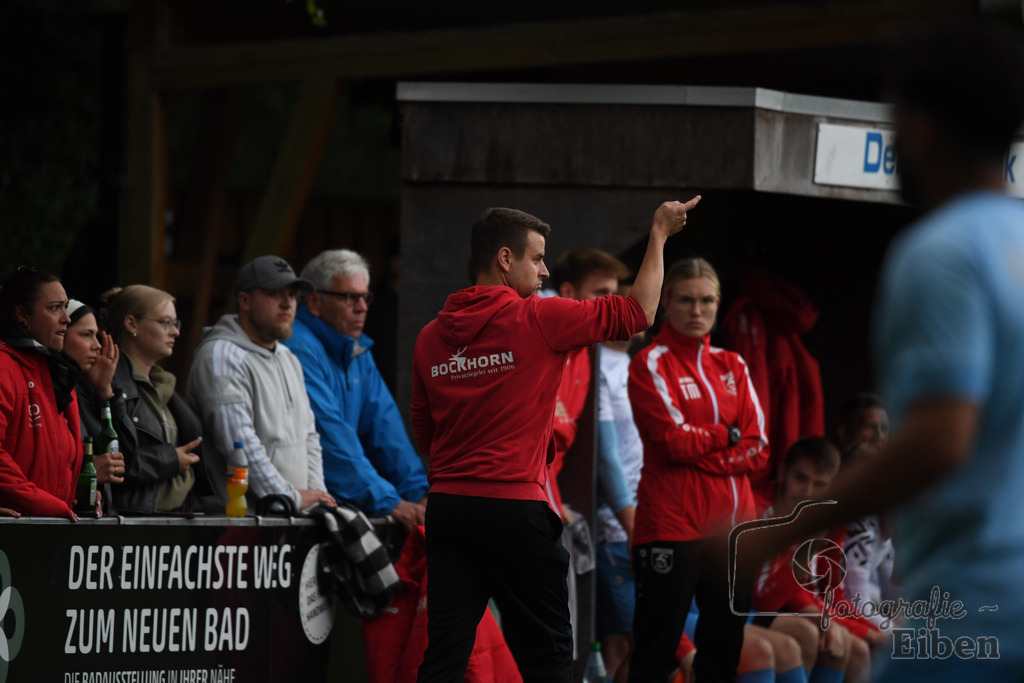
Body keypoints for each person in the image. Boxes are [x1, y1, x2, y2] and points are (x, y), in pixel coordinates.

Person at [739, 22, 1024, 680]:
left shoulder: (941, 252)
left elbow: (940, 439)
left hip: (971, 618)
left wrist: (779, 530)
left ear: (920, 127)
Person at [411, 198, 699, 683]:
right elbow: (639, 312)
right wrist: (659, 235)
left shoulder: (429, 336)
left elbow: (425, 431)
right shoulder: (538, 318)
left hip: (448, 509)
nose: (545, 271)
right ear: (506, 259)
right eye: (538, 258)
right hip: (514, 509)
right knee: (548, 659)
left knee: (443, 658)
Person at [627, 257, 768, 683]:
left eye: (706, 300)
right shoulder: (650, 363)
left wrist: (707, 444)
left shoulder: (734, 365)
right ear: (666, 301)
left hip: (732, 533)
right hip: (671, 528)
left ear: (718, 304)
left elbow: (758, 448)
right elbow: (672, 442)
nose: (696, 310)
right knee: (655, 657)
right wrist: (726, 435)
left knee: (723, 655)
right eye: (686, 300)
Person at [284, 249, 428, 528]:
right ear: (313, 301)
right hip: (302, 508)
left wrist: (419, 493)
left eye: (365, 297)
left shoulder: (357, 349)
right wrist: (391, 502)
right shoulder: (297, 347)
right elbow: (329, 436)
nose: (362, 307)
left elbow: (386, 428)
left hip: (337, 501)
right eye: (350, 297)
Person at [186, 255, 336, 514]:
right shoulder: (220, 356)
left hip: (290, 518)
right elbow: (239, 444)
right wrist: (289, 499)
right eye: (275, 293)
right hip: (237, 525)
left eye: (292, 293)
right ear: (244, 300)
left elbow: (309, 435)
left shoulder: (288, 357)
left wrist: (314, 498)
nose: (288, 303)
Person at [751, 436, 875, 683]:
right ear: (783, 472)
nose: (807, 493)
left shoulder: (819, 518)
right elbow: (764, 600)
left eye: (819, 485)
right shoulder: (758, 510)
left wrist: (829, 621)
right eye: (800, 479)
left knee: (853, 650)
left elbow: (821, 590)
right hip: (744, 610)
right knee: (806, 636)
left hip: (783, 608)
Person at [89, 285, 210, 514]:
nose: (175, 332)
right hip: (132, 525)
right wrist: (170, 460)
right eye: (166, 323)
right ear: (131, 324)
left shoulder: (164, 385)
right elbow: (114, 462)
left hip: (171, 520)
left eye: (176, 323)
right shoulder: (107, 383)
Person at [0, 267, 82, 517]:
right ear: (22, 314)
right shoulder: (4, 367)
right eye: (55, 308)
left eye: (65, 307)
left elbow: (61, 457)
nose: (66, 318)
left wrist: (76, 490)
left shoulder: (57, 372)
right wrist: (49, 505)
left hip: (47, 530)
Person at [63, 299, 125, 500]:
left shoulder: (85, 390)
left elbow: (125, 457)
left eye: (96, 336)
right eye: (86, 335)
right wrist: (87, 472)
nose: (97, 346)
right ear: (60, 333)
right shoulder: (52, 389)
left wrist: (105, 391)